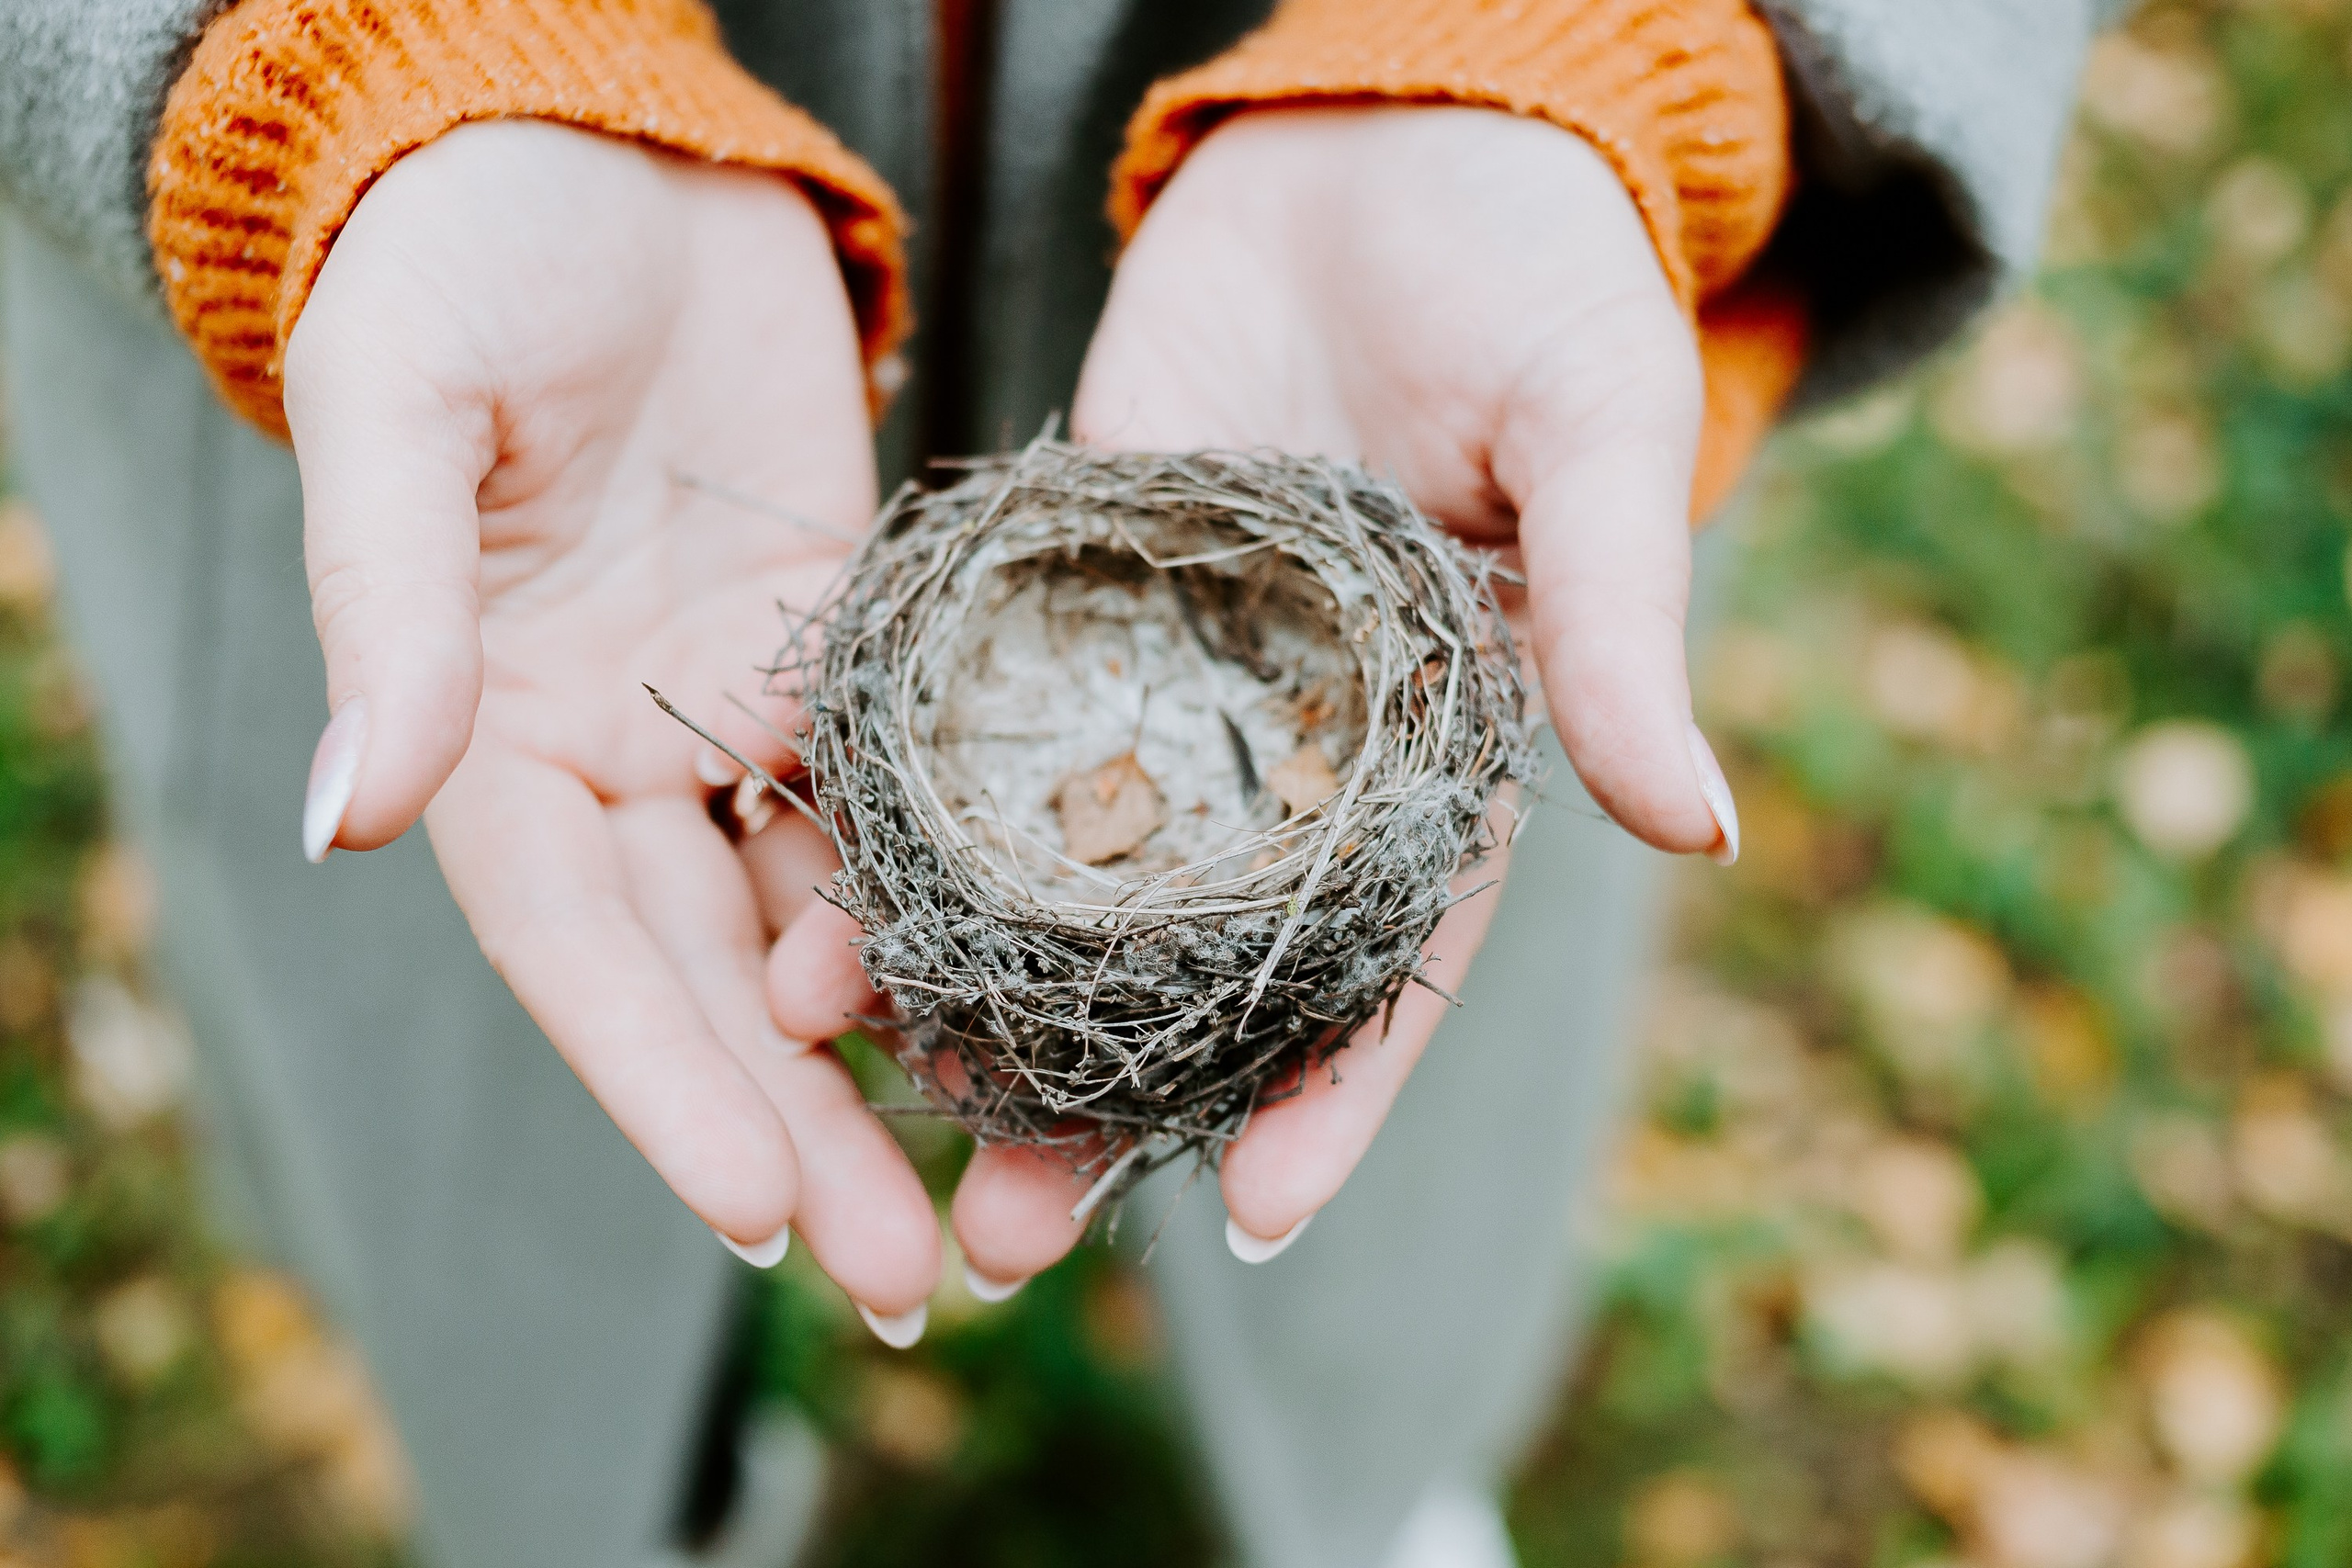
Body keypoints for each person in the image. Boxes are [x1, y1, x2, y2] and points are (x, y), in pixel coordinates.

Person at [0, 1, 2119, 1564]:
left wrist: (1597, 49)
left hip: (1398, 312)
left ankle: (1364, 1479)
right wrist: (347, 58)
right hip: (513, 457)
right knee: (514, 1140)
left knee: (1399, 1100)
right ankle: (615, 1497)